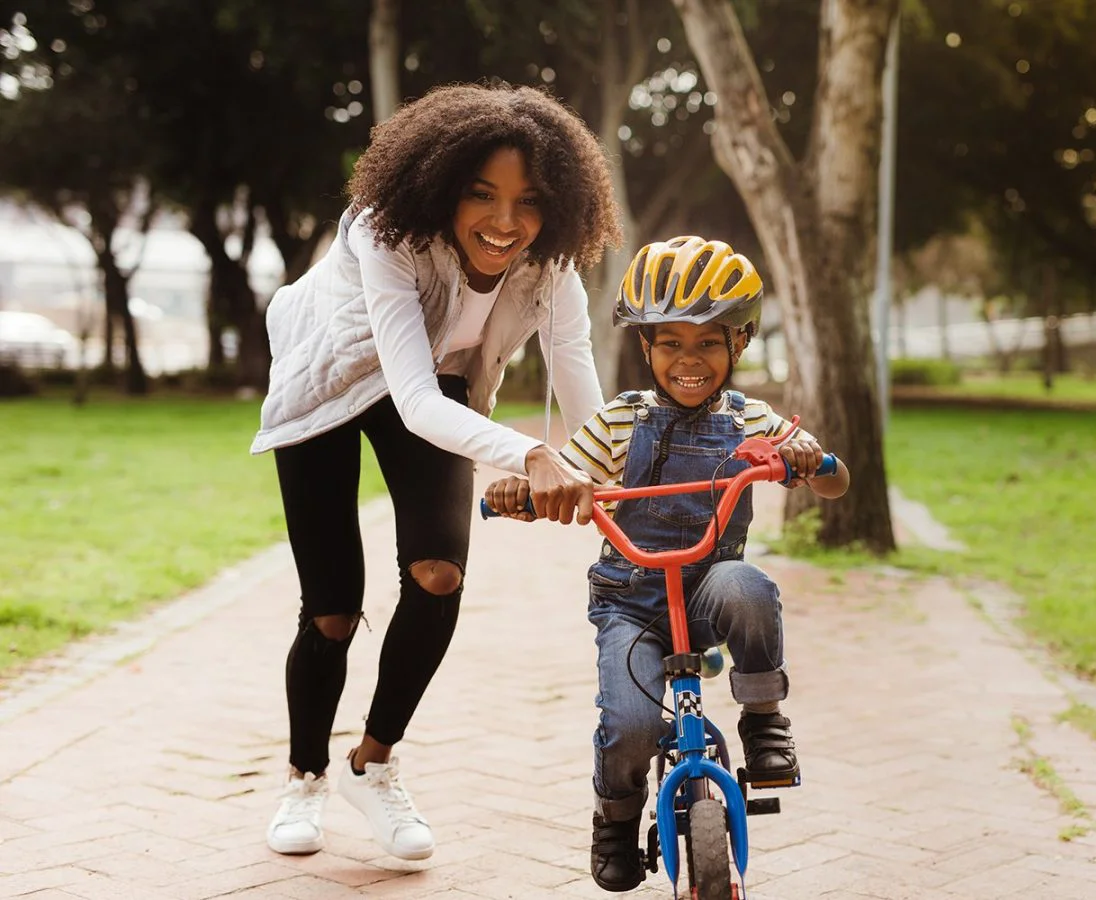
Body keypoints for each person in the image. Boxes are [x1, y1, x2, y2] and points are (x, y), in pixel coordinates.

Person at [249, 82, 622, 861]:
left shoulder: (551, 268)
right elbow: (413, 400)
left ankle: (372, 765)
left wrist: (608, 466)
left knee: (438, 572)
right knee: (332, 610)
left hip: (436, 384)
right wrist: (532, 452)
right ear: (442, 187)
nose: (506, 222)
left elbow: (576, 372)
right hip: (329, 383)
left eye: (529, 202)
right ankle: (305, 775)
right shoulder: (386, 235)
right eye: (482, 195)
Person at [484, 236, 851, 891]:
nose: (689, 360)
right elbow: (568, 472)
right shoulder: (622, 420)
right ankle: (616, 819)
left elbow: (835, 482)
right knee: (627, 726)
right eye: (670, 343)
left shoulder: (751, 421)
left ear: (738, 345)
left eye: (708, 342)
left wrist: (809, 460)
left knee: (750, 586)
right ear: (646, 347)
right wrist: (526, 490)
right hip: (632, 600)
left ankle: (763, 719)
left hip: (709, 587)